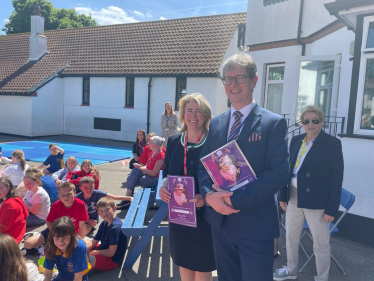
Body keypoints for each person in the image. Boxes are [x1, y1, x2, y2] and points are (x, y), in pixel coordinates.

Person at [198, 53, 289, 281]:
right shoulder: (216, 123)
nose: (233, 85)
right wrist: (209, 197)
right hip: (220, 224)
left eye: (239, 78)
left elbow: (278, 174)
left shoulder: (273, 123)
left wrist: (233, 201)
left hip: (255, 226)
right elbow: (203, 167)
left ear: (253, 81)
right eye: (227, 79)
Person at [273, 106, 344, 281]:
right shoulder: (296, 140)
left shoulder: (332, 144)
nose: (310, 124)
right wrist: (283, 195)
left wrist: (331, 209)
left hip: (318, 201)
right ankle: (291, 270)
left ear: (321, 121)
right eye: (306, 121)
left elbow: (337, 179)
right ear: (302, 123)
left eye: (315, 121)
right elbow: (288, 170)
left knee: (321, 243)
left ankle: (322, 277)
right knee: (290, 237)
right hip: (294, 197)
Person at [159, 93, 216, 281]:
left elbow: (222, 178)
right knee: (183, 261)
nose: (193, 115)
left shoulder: (213, 142)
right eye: (189, 110)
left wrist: (206, 197)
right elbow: (167, 170)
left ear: (206, 115)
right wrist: (164, 187)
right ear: (183, 115)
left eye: (198, 111)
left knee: (202, 265)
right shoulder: (174, 141)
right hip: (179, 215)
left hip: (204, 216)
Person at [24, 182, 88, 250]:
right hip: (56, 231)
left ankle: (45, 247)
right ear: (59, 196)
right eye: (63, 195)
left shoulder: (80, 205)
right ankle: (40, 242)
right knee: (28, 244)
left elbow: (82, 225)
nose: (66, 197)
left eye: (69, 194)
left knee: (78, 248)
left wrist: (82, 238)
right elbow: (49, 221)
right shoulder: (56, 205)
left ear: (75, 193)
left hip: (71, 233)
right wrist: (56, 233)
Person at [84, 197, 127, 272]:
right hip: (104, 249)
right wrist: (82, 250)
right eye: (101, 211)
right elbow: (93, 242)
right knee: (81, 244)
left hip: (112, 260)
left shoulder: (115, 228)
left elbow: (111, 253)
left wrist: (97, 252)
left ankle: (72, 273)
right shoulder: (104, 223)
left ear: (114, 208)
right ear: (98, 213)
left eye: (107, 209)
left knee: (86, 259)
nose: (104, 213)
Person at [43, 216, 91, 281]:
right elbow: (48, 273)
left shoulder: (79, 247)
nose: (60, 241)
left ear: (72, 235)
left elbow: (78, 278)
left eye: (65, 237)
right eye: (57, 238)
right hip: (62, 277)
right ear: (52, 237)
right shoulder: (51, 246)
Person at [0, 178, 28, 243]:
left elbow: (3, 228)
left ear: (8, 188)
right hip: (18, 229)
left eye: (0, 188)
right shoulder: (14, 197)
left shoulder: (10, 205)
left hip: (12, 234)